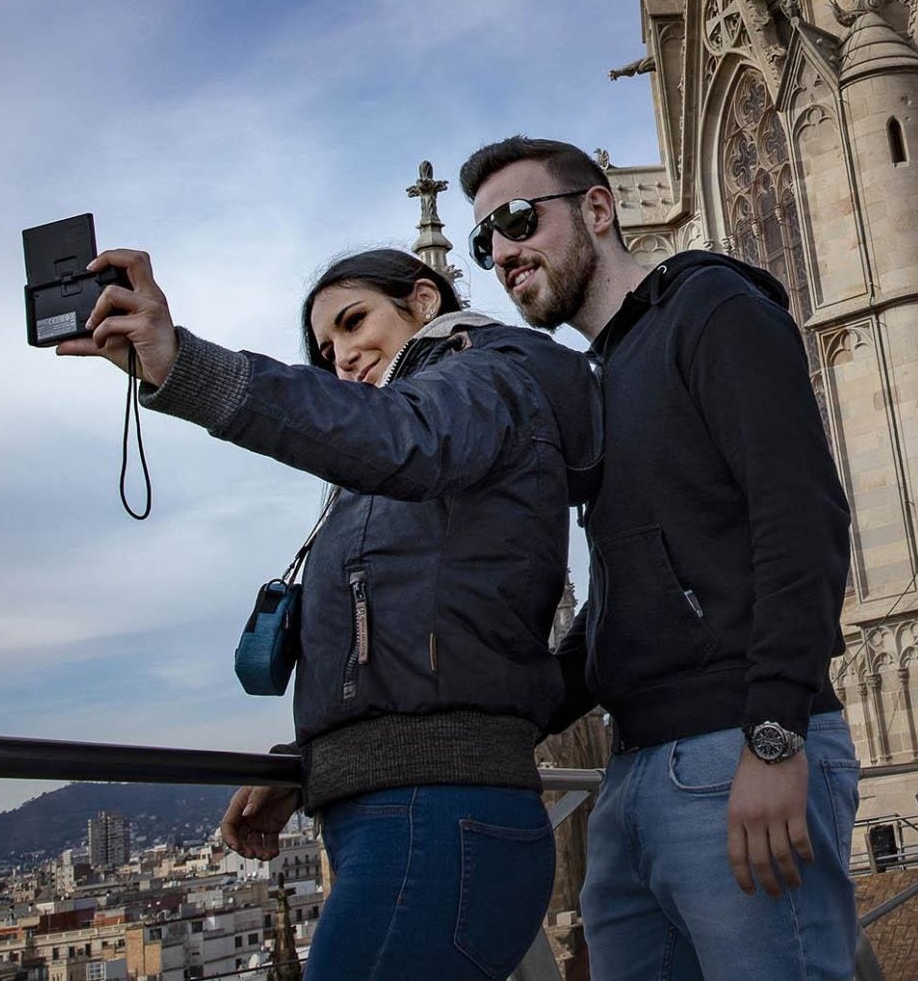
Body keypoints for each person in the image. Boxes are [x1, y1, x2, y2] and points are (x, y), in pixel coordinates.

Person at [58, 245, 598, 981]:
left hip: (435, 818)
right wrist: (317, 763)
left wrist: (181, 363)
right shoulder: (415, 444)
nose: (342, 355)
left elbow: (396, 439)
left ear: (425, 301)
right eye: (325, 345)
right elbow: (412, 642)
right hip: (399, 815)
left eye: (354, 321)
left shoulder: (482, 379)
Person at [457, 136, 858, 981]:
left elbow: (801, 516)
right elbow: (620, 600)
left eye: (519, 219)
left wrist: (775, 738)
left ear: (597, 210)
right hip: (633, 776)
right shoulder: (600, 379)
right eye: (483, 239)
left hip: (733, 752)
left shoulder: (711, 308)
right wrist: (472, 721)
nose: (502, 253)